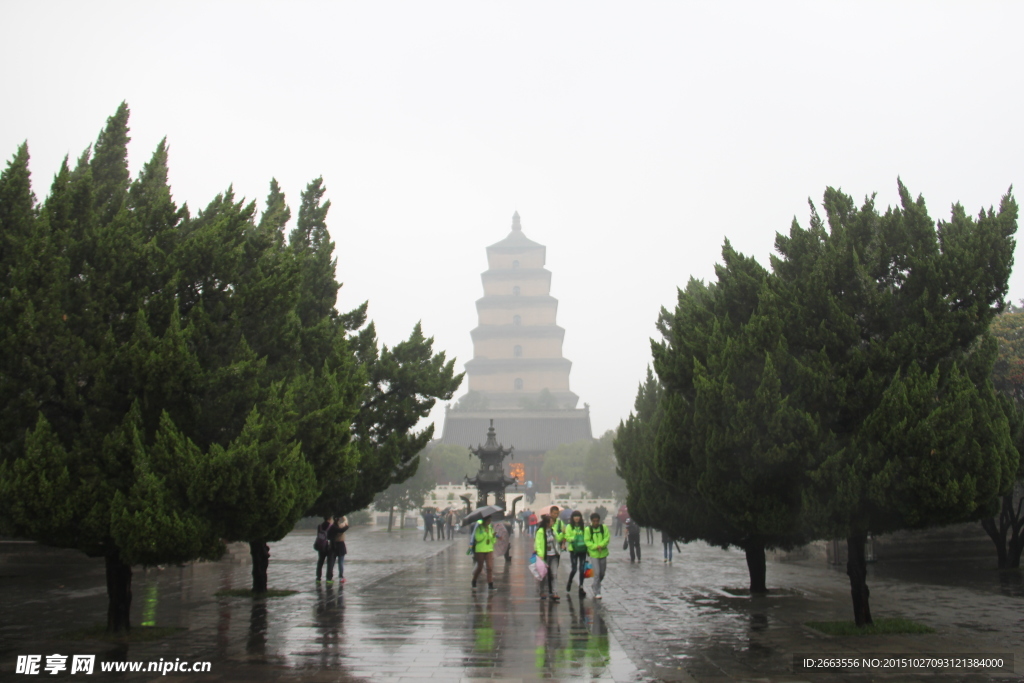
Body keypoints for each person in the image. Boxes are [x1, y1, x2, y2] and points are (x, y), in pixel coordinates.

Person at [535, 514, 562, 601]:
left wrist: (563, 533)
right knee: (543, 575)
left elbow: (558, 539)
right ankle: (542, 591)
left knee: (554, 574)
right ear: (547, 523)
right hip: (544, 556)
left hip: (553, 555)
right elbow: (537, 544)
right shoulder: (540, 531)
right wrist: (540, 554)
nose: (553, 522)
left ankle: (554, 592)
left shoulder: (553, 530)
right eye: (551, 521)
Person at [584, 513, 610, 599]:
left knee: (602, 573)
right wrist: (595, 547)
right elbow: (587, 541)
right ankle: (597, 591)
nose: (596, 522)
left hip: (603, 553)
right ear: (591, 521)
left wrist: (601, 545)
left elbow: (607, 538)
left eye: (597, 521)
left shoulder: (603, 528)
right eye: (594, 521)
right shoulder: (588, 529)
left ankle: (595, 584)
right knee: (597, 573)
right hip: (594, 554)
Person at [563, 510, 588, 598]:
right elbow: (567, 537)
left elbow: (587, 536)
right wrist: (576, 538)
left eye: (578, 516)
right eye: (575, 516)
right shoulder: (569, 526)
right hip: (573, 550)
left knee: (582, 568)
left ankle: (581, 586)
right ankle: (570, 582)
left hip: (582, 550)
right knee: (574, 568)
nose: (577, 518)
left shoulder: (583, 527)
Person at [471, 515, 497, 590]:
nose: (489, 522)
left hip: (489, 549)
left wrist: (493, 536)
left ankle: (490, 584)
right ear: (484, 521)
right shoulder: (479, 528)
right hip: (480, 550)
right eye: (488, 520)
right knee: (480, 567)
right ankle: (474, 580)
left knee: (489, 567)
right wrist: (484, 533)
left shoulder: (490, 528)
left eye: (490, 521)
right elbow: (478, 538)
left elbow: (493, 541)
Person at [328, 515, 349, 583]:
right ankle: (341, 577)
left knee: (332, 562)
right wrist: (343, 516)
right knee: (341, 562)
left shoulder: (331, 527)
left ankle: (330, 577)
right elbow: (345, 522)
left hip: (333, 545)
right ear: (339, 520)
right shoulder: (341, 526)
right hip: (340, 545)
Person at [315, 515, 334, 582]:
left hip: (321, 546)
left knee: (320, 562)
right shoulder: (331, 526)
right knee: (330, 562)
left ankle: (318, 577)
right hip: (329, 546)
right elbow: (333, 536)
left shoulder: (319, 526)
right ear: (329, 518)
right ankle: (329, 578)